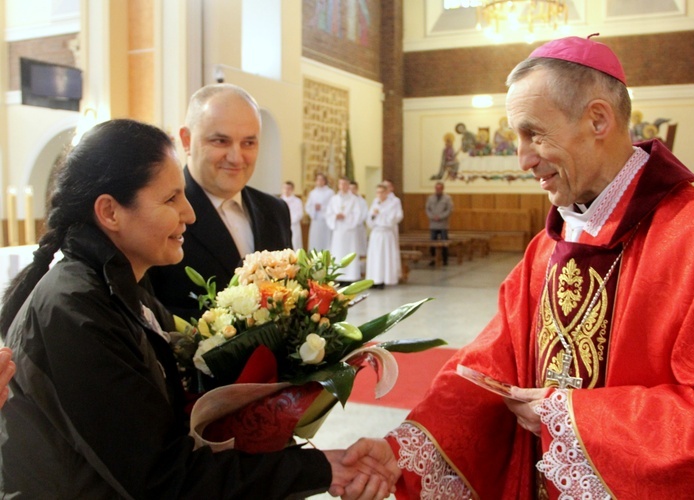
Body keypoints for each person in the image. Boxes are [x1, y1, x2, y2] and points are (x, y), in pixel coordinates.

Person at [351, 35, 694, 498]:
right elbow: (488, 367)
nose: (522, 159)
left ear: (598, 119)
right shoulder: (546, 248)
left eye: (533, 134)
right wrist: (402, 448)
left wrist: (571, 418)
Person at [0, 119, 399, 499]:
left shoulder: (118, 289)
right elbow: (163, 480)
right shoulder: (76, 311)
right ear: (110, 212)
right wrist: (321, 469)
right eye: (171, 199)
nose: (189, 214)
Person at [147, 84, 292, 320]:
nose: (236, 157)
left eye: (248, 143)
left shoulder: (275, 210)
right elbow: (149, 312)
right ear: (186, 140)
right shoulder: (159, 212)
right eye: (220, 141)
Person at [326, 177, 364, 284]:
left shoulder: (354, 199)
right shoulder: (334, 199)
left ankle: (350, 277)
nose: (343, 186)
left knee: (349, 252)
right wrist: (335, 216)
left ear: (348, 185)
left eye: (345, 184)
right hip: (338, 230)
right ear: (338, 185)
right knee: (338, 253)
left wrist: (346, 217)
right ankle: (338, 276)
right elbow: (328, 213)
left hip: (349, 231)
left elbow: (357, 214)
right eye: (341, 184)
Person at [365, 184, 402, 289]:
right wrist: (374, 216)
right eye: (378, 192)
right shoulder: (375, 202)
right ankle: (374, 279)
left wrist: (381, 215)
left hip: (386, 233)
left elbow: (394, 218)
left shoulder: (392, 203)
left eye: (382, 192)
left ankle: (384, 279)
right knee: (375, 257)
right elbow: (369, 218)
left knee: (384, 257)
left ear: (386, 193)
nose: (379, 194)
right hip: (376, 233)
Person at [424, 182, 453, 266]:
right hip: (433, 224)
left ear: (442, 189)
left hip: (443, 224)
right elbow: (427, 209)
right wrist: (432, 217)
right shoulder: (430, 198)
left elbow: (449, 210)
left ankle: (445, 260)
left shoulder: (447, 198)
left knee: (444, 243)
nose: (438, 190)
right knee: (432, 243)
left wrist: (440, 217)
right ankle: (433, 259)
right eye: (436, 188)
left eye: (439, 188)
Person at [305, 172, 335, 252]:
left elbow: (333, 206)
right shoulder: (313, 193)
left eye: (321, 179)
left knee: (325, 240)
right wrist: (314, 208)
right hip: (315, 220)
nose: (319, 181)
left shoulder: (330, 192)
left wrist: (322, 207)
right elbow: (308, 206)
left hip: (325, 221)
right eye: (318, 179)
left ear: (325, 181)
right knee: (315, 241)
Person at [281, 180, 304, 250]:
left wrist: (290, 220)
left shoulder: (297, 201)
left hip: (294, 226)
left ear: (292, 189)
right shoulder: (279, 200)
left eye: (289, 188)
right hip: (282, 226)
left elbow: (300, 214)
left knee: (295, 245)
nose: (286, 190)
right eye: (285, 188)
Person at [350, 180, 369, 259]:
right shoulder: (347, 200)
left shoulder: (362, 201)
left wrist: (357, 221)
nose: (351, 191)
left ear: (357, 189)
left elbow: (365, 213)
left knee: (359, 247)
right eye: (350, 189)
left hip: (359, 227)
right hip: (349, 227)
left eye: (353, 188)